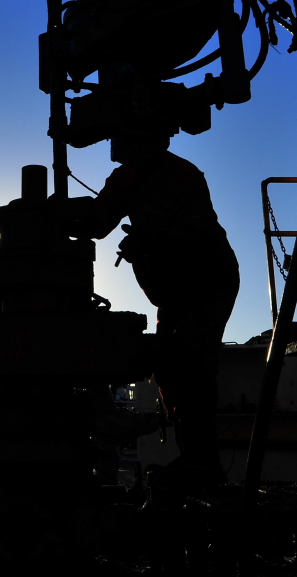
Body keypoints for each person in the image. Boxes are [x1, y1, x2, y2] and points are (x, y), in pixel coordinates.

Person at [76, 130, 239, 485]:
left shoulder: (184, 176)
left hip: (207, 282)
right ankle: (193, 457)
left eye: (120, 135)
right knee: (168, 369)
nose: (113, 144)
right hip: (173, 293)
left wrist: (148, 243)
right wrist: (59, 214)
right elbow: (96, 223)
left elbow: (194, 240)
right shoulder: (125, 179)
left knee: (191, 364)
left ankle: (202, 464)